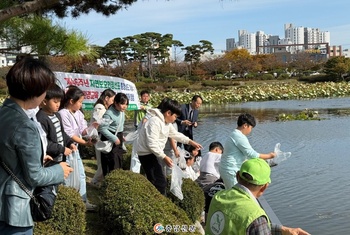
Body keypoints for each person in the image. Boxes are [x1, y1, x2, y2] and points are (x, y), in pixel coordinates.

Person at [0, 57, 72, 234]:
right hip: (13, 210)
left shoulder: (4, 113)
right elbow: (35, 177)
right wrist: (59, 171)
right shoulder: (25, 126)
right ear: (37, 92)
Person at [206, 158, 311, 235]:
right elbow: (254, 224)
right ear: (264, 186)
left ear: (237, 176)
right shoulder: (254, 215)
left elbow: (248, 226)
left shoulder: (219, 196)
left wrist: (285, 230)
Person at [136, 98, 202, 195]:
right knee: (159, 182)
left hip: (154, 153)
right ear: (168, 113)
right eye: (175, 116)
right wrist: (164, 157)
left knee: (158, 181)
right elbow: (152, 144)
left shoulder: (165, 122)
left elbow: (175, 134)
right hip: (147, 154)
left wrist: (190, 142)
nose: (175, 119)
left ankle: (157, 202)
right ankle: (158, 204)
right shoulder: (154, 122)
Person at [58, 85, 96, 211]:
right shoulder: (63, 114)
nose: (81, 105)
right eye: (79, 102)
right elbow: (70, 135)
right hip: (67, 150)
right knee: (68, 177)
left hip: (75, 150)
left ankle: (83, 201)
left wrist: (93, 128)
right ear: (71, 101)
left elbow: (82, 131)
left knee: (81, 174)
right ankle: (69, 202)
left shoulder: (78, 113)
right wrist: (85, 143)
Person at [219, 113, 276, 189]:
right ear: (245, 125)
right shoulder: (239, 136)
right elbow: (251, 154)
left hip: (229, 169)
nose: (250, 131)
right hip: (230, 171)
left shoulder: (235, 134)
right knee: (236, 195)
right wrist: (270, 156)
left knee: (234, 193)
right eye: (251, 128)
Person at [36, 83, 77, 167]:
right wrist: (61, 149)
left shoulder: (57, 115)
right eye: (55, 101)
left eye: (59, 101)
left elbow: (62, 133)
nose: (58, 104)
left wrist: (70, 143)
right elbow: (44, 142)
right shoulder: (41, 118)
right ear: (44, 101)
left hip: (60, 157)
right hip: (49, 160)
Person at [98, 92, 129, 176]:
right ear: (115, 103)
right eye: (122, 104)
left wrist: (121, 136)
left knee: (118, 161)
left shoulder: (121, 112)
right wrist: (114, 138)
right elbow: (101, 128)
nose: (124, 106)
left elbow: (120, 125)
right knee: (111, 162)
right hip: (109, 139)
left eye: (126, 104)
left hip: (118, 137)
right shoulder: (108, 114)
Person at [90, 89, 116, 185]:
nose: (113, 103)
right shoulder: (100, 108)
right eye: (112, 100)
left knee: (102, 161)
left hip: (99, 136)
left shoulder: (103, 108)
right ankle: (95, 181)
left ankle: (98, 181)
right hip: (98, 137)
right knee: (102, 162)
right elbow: (98, 122)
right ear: (106, 98)